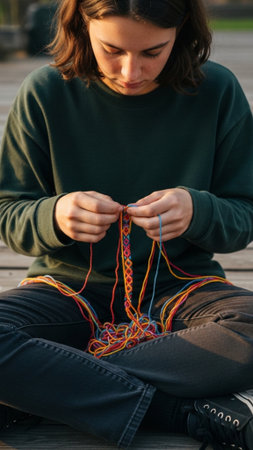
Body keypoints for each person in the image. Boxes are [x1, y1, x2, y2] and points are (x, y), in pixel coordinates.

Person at [0, 0, 253, 448]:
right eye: (111, 49)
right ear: (83, 26)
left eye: (153, 52)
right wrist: (53, 215)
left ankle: (46, 380)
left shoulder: (217, 90)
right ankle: (178, 412)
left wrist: (200, 210)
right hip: (67, 290)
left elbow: (243, 217)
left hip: (183, 291)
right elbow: (8, 212)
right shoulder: (46, 91)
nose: (131, 71)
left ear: (182, 33)